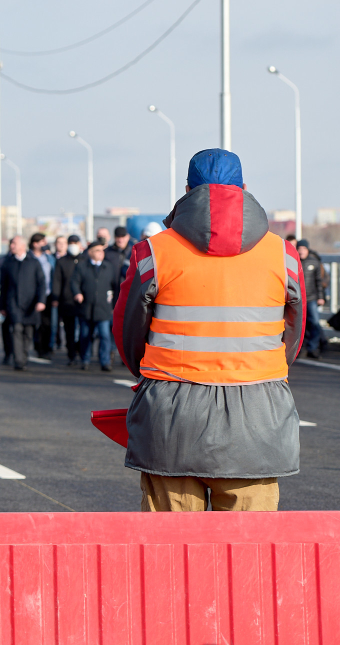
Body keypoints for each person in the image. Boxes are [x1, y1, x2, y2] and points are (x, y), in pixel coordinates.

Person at [114, 148, 304, 512]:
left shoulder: (153, 252)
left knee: (173, 552)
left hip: (172, 414)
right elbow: (293, 337)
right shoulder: (284, 254)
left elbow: (128, 332)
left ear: (188, 190)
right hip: (258, 415)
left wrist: (154, 379)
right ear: (244, 188)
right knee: (249, 552)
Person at [0, 235, 47, 371]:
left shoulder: (34, 262)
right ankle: (18, 360)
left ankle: (23, 356)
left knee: (28, 332)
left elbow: (42, 284)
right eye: (11, 244)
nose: (12, 246)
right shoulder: (8, 263)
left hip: (31, 304)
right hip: (14, 303)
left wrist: (41, 301)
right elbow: (4, 286)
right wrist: (2, 305)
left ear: (23, 246)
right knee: (17, 329)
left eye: (14, 244)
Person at [71, 242, 117, 371]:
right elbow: (74, 282)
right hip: (86, 307)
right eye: (97, 250)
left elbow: (115, 286)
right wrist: (78, 293)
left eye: (102, 251)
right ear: (90, 252)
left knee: (105, 335)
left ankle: (105, 361)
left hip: (103, 308)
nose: (100, 253)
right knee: (85, 335)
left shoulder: (108, 267)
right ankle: (85, 360)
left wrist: (114, 304)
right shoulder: (82, 266)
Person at [51, 234, 82, 365]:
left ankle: (80, 350)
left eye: (75, 242)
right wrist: (56, 297)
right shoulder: (62, 261)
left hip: (82, 301)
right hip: (66, 301)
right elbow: (57, 280)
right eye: (71, 242)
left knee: (82, 330)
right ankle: (71, 354)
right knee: (69, 330)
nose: (73, 245)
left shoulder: (84, 260)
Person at [296, 239, 325, 359]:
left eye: (304, 249)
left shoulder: (314, 262)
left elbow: (319, 281)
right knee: (298, 325)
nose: (302, 251)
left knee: (315, 323)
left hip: (311, 298)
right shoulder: (293, 262)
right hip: (297, 299)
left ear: (308, 250)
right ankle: (299, 349)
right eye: (300, 249)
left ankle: (313, 348)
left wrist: (321, 297)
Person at [29, 233, 54, 358]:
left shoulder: (48, 258)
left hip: (47, 294)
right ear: (35, 243)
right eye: (42, 242)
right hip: (32, 295)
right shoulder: (29, 257)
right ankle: (35, 345)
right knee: (33, 323)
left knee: (46, 323)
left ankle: (44, 347)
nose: (45, 245)